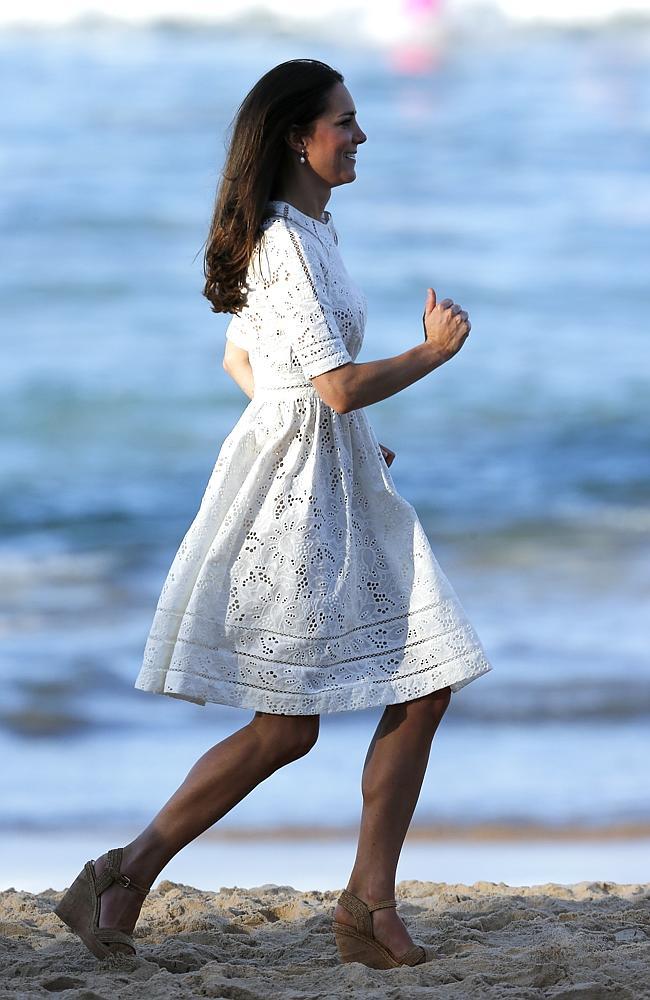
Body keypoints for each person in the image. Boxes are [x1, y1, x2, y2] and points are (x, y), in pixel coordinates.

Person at [54, 58, 492, 970]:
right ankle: (126, 873)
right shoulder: (287, 244)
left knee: (423, 678)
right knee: (292, 725)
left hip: (328, 479)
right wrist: (431, 355)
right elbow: (332, 386)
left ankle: (366, 903)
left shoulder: (309, 232)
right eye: (346, 120)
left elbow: (243, 362)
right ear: (299, 135)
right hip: (299, 504)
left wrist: (339, 438)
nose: (361, 134)